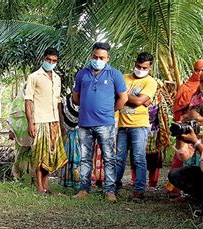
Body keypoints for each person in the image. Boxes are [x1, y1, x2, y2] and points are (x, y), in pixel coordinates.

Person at [72, 42, 128, 201]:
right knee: (84, 158)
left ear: (107, 58)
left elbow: (123, 98)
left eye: (101, 57)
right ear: (91, 56)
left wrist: (110, 111)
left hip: (106, 123)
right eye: (95, 57)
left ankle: (110, 191)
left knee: (109, 157)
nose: (98, 60)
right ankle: (84, 189)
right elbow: (76, 97)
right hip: (84, 123)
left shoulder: (115, 74)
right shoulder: (82, 74)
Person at [114, 52, 157, 200]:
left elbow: (139, 102)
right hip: (122, 124)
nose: (141, 69)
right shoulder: (123, 77)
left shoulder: (150, 82)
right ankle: (114, 186)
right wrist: (136, 99)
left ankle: (139, 190)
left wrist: (124, 96)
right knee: (119, 157)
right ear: (135, 63)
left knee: (138, 158)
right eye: (139, 66)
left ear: (150, 67)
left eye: (144, 67)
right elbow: (137, 100)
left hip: (139, 125)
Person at [24, 48, 67, 194]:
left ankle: (46, 186)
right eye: (48, 60)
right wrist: (30, 123)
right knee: (39, 154)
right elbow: (28, 100)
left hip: (54, 120)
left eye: (54, 61)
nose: (51, 63)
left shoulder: (57, 78)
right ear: (44, 58)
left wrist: (61, 123)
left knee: (50, 154)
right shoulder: (34, 76)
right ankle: (39, 187)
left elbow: (58, 101)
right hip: (40, 120)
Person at [169, 104, 203, 217]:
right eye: (191, 122)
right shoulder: (200, 134)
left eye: (196, 122)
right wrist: (180, 136)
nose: (193, 126)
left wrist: (197, 143)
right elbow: (184, 156)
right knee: (175, 174)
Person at [8, 86, 33, 180]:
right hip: (20, 134)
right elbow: (11, 116)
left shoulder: (36, 100)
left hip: (33, 132)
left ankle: (31, 177)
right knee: (19, 155)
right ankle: (17, 176)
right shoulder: (17, 101)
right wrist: (11, 130)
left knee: (32, 155)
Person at [59, 93, 81, 189]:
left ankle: (78, 182)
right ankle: (67, 182)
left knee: (79, 157)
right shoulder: (65, 100)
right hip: (67, 132)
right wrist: (62, 126)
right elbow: (60, 110)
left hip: (80, 133)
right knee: (67, 156)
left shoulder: (86, 99)